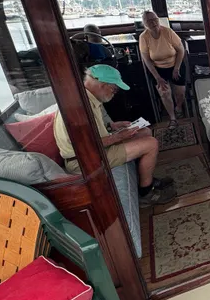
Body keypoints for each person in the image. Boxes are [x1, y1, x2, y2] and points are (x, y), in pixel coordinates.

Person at [53, 64, 176, 206]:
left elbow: (91, 131)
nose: (114, 93)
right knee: (151, 144)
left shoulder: (87, 97)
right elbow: (88, 145)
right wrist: (118, 136)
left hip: (94, 150)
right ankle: (146, 193)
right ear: (103, 85)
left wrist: (112, 126)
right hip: (85, 159)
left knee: (145, 132)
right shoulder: (80, 108)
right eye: (114, 88)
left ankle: (145, 178)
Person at [139, 11, 187, 127]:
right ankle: (172, 118)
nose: (153, 22)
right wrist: (157, 77)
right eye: (149, 21)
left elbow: (181, 50)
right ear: (144, 23)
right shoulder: (143, 37)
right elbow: (147, 60)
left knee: (179, 93)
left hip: (176, 64)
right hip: (158, 69)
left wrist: (176, 68)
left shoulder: (168, 32)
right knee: (165, 94)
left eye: (155, 19)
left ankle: (179, 107)